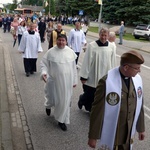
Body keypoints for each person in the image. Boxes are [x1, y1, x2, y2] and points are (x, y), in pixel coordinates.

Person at [88, 50, 145, 150]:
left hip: (128, 134)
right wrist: (93, 136)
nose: (139, 71)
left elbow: (140, 106)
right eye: (137, 68)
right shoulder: (107, 82)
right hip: (114, 133)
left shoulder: (137, 80)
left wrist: (141, 128)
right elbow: (97, 110)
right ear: (126, 67)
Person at [40, 34, 77, 131]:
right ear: (56, 41)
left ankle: (61, 120)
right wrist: (44, 73)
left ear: (66, 41)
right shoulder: (50, 52)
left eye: (63, 40)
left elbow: (73, 68)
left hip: (67, 82)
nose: (61, 42)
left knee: (64, 101)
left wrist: (74, 80)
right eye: (59, 40)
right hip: (53, 81)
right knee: (51, 98)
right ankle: (48, 106)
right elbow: (44, 64)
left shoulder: (70, 52)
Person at [78, 28, 116, 112]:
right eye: (102, 35)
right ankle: (82, 99)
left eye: (105, 35)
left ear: (108, 36)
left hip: (105, 74)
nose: (103, 37)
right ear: (99, 35)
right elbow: (87, 61)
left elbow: (113, 61)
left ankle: (94, 110)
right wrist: (84, 76)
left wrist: (114, 75)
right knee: (90, 93)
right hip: (93, 73)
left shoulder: (112, 47)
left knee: (101, 94)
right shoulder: (92, 45)